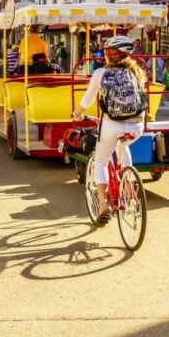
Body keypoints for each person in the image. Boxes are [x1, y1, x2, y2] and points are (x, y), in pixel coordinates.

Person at [71, 36, 147, 226]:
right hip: (137, 125)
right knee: (123, 145)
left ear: (108, 55)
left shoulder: (101, 73)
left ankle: (104, 205)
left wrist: (77, 114)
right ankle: (129, 184)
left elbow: (87, 100)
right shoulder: (137, 72)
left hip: (112, 124)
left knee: (101, 161)